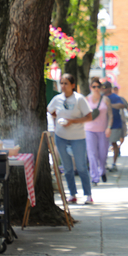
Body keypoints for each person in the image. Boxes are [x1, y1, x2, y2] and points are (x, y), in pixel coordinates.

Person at [48, 74, 95, 204]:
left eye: (66, 83)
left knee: (81, 167)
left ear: (73, 85)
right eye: (62, 83)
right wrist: (55, 118)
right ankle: (72, 194)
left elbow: (89, 117)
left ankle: (88, 195)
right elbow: (49, 110)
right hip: (61, 137)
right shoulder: (57, 99)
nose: (63, 86)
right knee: (67, 168)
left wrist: (73, 121)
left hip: (77, 137)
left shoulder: (79, 99)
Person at [85, 77, 112, 185]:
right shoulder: (86, 99)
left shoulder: (105, 99)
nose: (96, 89)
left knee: (103, 154)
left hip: (103, 130)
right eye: (94, 86)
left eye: (98, 87)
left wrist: (109, 127)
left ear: (101, 88)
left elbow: (110, 115)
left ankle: (103, 171)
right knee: (92, 154)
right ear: (90, 87)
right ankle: (94, 177)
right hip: (89, 130)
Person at [103, 82, 127, 173]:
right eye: (103, 88)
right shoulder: (101, 98)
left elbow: (122, 105)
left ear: (110, 88)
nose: (104, 89)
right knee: (103, 145)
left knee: (113, 143)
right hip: (103, 125)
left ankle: (114, 163)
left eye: (106, 88)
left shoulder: (115, 97)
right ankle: (103, 163)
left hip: (115, 124)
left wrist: (109, 105)